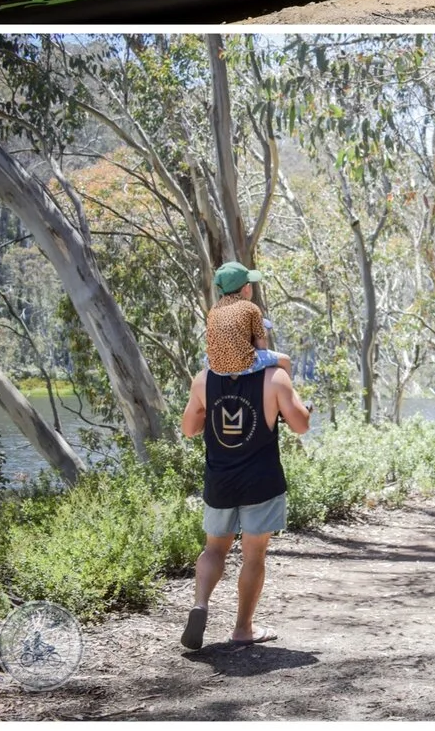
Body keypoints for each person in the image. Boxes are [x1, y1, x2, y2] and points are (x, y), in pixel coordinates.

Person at [180, 261, 311, 653]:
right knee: (253, 555)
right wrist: (295, 391)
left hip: (219, 479)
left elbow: (189, 429)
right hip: (262, 481)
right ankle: (242, 629)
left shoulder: (204, 380)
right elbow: (300, 424)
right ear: (252, 326)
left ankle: (200, 605)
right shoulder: (275, 377)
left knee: (213, 549)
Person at [204, 260, 290, 379]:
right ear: (247, 288)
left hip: (215, 368)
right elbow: (262, 346)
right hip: (244, 366)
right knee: (285, 360)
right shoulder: (251, 308)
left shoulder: (214, 309)